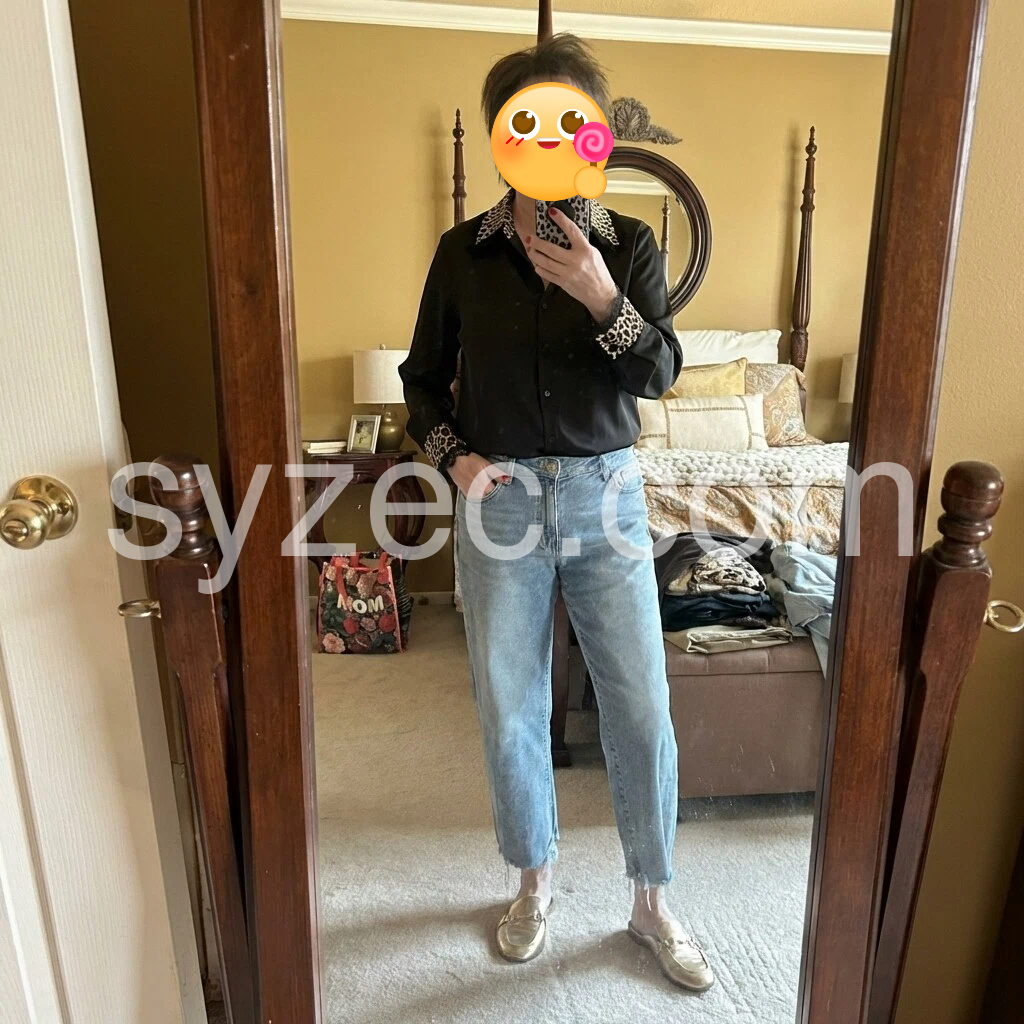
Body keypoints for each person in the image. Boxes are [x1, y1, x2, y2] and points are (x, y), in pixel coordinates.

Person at [399, 33, 714, 992]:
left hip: (606, 496)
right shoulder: (461, 255)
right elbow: (420, 381)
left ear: (593, 136)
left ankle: (651, 900)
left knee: (641, 706)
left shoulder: (631, 244)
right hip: (499, 504)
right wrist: (455, 461)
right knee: (509, 707)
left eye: (568, 121)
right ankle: (533, 882)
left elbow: (658, 374)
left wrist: (602, 296)